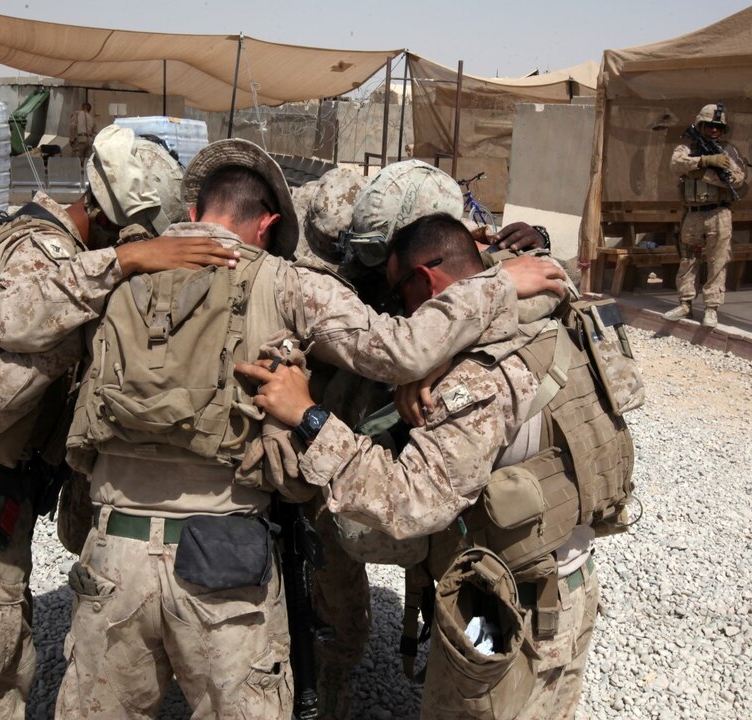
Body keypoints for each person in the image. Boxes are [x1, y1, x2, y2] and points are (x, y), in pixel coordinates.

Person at [0, 139, 567, 719]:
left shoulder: (116, 273)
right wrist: (499, 282)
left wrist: (122, 260)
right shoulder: (288, 284)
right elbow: (402, 349)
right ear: (266, 225)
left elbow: (11, 321)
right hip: (224, 560)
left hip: (112, 552)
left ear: (192, 214)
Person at [0, 127, 235, 719]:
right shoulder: (54, 265)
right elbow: (1, 393)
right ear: (109, 221)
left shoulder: (30, 228)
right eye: (139, 237)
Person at [238, 212, 636, 720]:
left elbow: (411, 502)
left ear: (424, 281)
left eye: (398, 296)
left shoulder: (480, 378)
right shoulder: (560, 315)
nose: (403, 318)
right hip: (571, 585)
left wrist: (309, 417)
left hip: (508, 607)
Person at [663, 102, 748, 329]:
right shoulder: (686, 149)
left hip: (719, 212)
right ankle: (685, 303)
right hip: (693, 213)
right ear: (700, 126)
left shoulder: (729, 152)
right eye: (709, 126)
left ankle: (711, 308)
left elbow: (738, 180)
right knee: (688, 259)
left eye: (718, 127)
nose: (714, 131)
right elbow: (676, 164)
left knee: (718, 261)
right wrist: (704, 161)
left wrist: (705, 173)